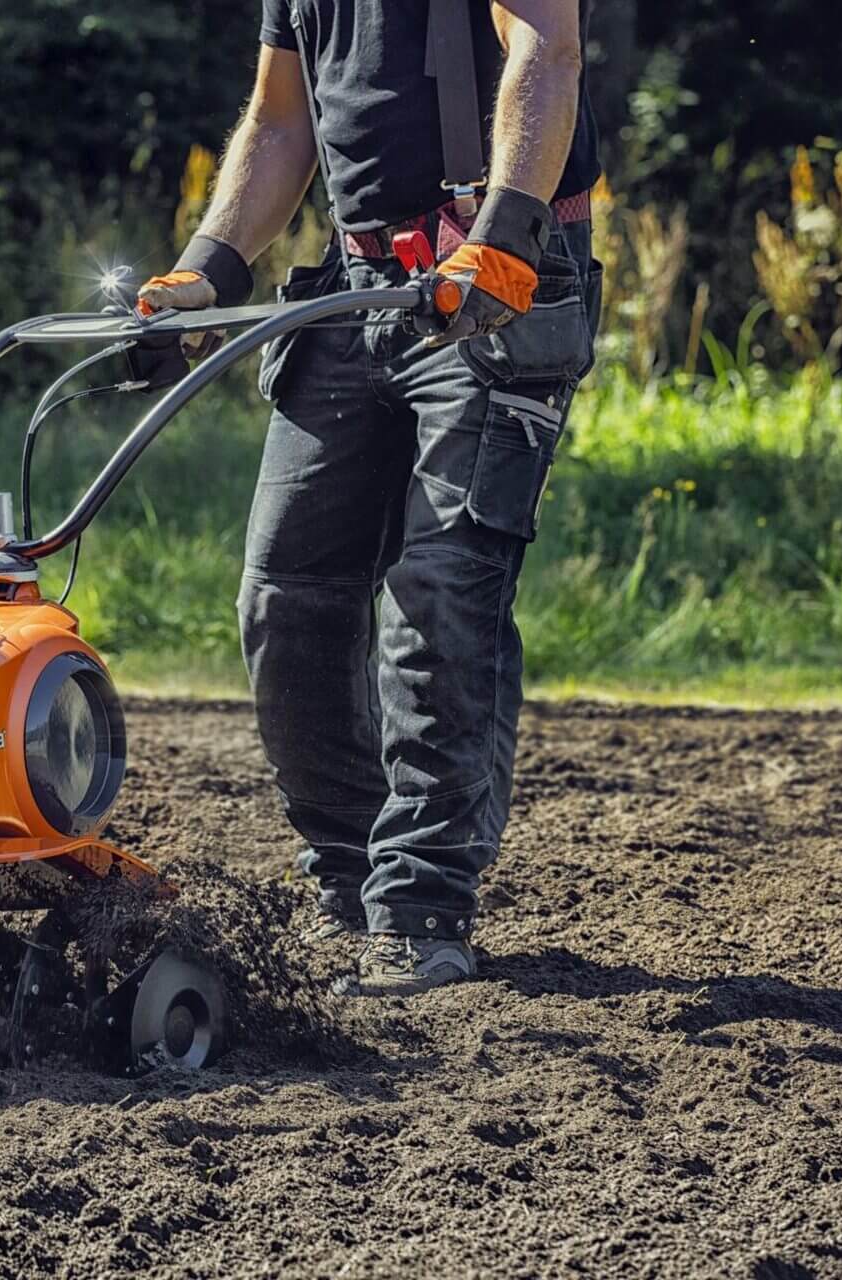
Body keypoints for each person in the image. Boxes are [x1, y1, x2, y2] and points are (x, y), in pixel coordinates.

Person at [137, 0, 602, 995]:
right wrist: (206, 270)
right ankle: (350, 883)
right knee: (283, 595)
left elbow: (546, 51)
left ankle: (422, 908)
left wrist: (506, 232)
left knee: (437, 592)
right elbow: (280, 120)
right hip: (357, 291)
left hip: (499, 282)